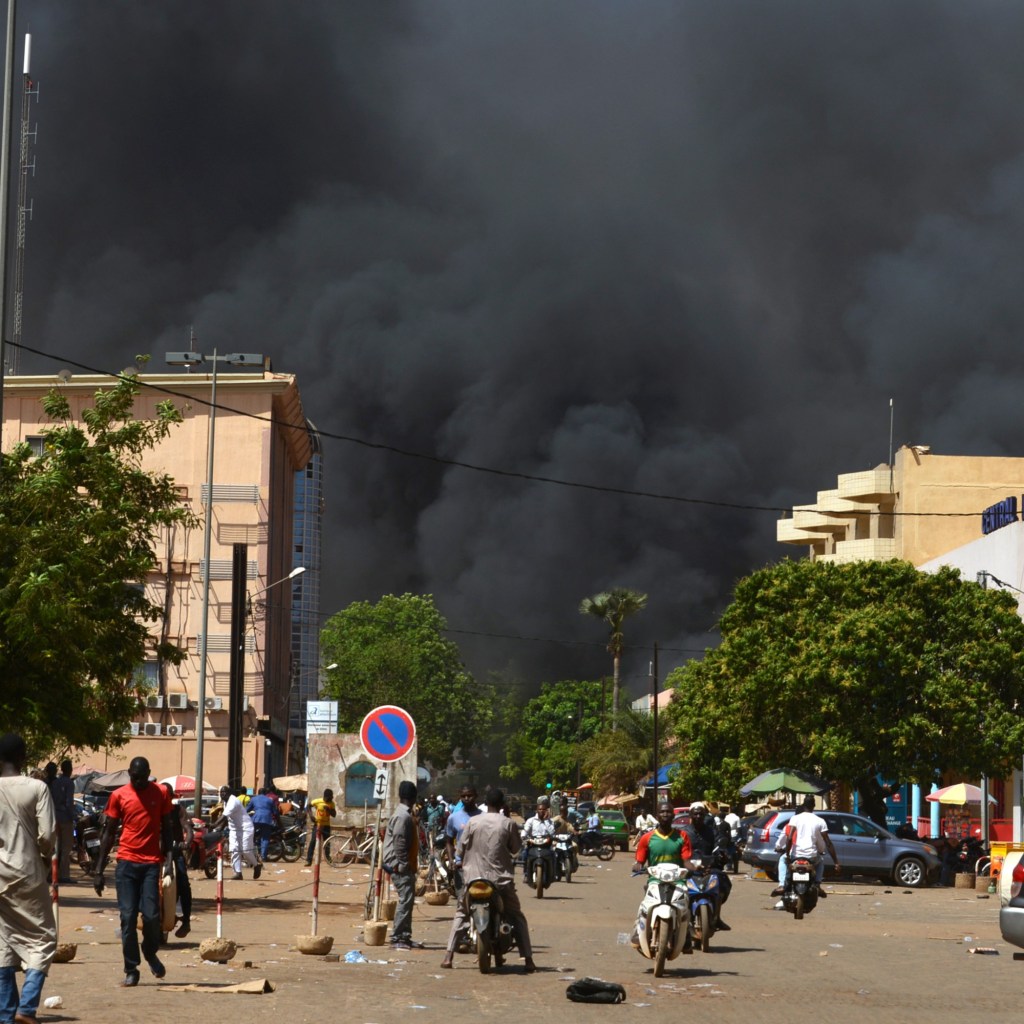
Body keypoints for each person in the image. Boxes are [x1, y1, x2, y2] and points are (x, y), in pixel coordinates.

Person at [94, 757, 173, 987]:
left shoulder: (161, 793)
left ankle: (149, 952)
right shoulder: (119, 795)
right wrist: (99, 870)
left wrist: (169, 858)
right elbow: (108, 833)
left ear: (149, 773)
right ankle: (131, 968)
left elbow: (167, 827)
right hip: (127, 863)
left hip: (150, 864)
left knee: (151, 917)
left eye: (141, 777)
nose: (136, 781)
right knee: (127, 918)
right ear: (129, 774)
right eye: (133, 777)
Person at [0, 733, 57, 1022]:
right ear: (23, 757)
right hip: (27, 870)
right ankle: (27, 1006)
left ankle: (5, 1015)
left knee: (3, 942)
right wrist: (45, 857)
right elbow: (47, 835)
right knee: (43, 938)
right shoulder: (37, 787)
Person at [450, 788, 535, 972]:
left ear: (485, 803)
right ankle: (528, 959)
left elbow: (459, 850)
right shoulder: (508, 823)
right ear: (502, 804)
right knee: (516, 916)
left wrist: (460, 861)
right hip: (500, 881)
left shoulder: (473, 822)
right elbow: (515, 850)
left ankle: (448, 956)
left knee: (461, 913)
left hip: (473, 879)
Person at [632, 799, 692, 951]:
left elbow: (686, 860)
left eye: (668, 812)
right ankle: (637, 932)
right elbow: (640, 859)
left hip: (677, 881)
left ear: (673, 816)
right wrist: (638, 866)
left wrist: (693, 867)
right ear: (657, 815)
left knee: (685, 903)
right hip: (655, 880)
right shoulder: (647, 838)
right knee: (644, 905)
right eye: (662, 812)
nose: (665, 814)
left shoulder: (682, 836)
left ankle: (686, 936)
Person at [440, 786, 483, 966]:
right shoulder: (454, 818)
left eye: (470, 795)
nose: (467, 799)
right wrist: (451, 861)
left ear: (476, 797)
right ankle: (457, 945)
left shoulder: (483, 817)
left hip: (481, 868)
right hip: (461, 868)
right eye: (463, 796)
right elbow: (449, 841)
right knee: (462, 906)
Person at [771, 794, 839, 898]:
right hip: (811, 856)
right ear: (814, 805)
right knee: (820, 862)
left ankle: (782, 886)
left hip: (795, 855)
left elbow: (789, 838)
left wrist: (788, 855)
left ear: (803, 805)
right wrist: (836, 862)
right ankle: (817, 884)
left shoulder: (795, 818)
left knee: (783, 860)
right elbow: (828, 842)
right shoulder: (820, 821)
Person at [383, 780, 421, 950]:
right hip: (399, 866)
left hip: (404, 864)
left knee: (408, 901)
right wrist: (404, 864)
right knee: (405, 901)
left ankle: (405, 937)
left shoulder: (405, 814)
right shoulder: (402, 816)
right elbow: (399, 842)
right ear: (413, 797)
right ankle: (397, 937)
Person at [682, 801, 732, 930]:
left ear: (704, 815)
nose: (698, 816)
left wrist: (722, 854)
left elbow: (718, 846)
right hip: (688, 869)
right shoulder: (683, 833)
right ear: (690, 815)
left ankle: (716, 916)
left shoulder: (711, 831)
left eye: (701, 814)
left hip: (709, 868)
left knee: (723, 882)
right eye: (695, 814)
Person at [162, 784, 194, 938]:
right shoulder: (152, 809)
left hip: (175, 852)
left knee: (183, 884)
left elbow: (188, 829)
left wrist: (186, 842)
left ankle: (186, 920)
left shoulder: (178, 810)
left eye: (166, 795)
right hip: (157, 854)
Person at [216, 786, 262, 880]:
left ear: (229, 792)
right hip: (234, 829)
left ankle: (256, 865)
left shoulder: (233, 801)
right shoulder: (225, 802)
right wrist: (219, 828)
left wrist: (214, 824)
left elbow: (224, 816)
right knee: (234, 850)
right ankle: (238, 873)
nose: (222, 794)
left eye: (224, 792)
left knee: (245, 850)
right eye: (221, 792)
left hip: (246, 828)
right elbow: (227, 817)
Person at [521, 796, 556, 885]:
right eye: (540, 809)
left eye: (544, 810)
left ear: (546, 811)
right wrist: (524, 835)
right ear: (537, 810)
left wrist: (546, 821)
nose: (542, 811)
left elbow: (552, 833)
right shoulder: (531, 820)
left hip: (546, 845)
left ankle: (553, 874)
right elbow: (525, 830)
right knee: (525, 854)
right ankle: (526, 874)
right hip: (533, 844)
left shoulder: (550, 821)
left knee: (553, 855)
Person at [52, 759, 76, 884]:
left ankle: (54, 874)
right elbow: (69, 802)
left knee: (56, 847)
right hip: (66, 819)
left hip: (55, 818)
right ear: (70, 770)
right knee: (66, 848)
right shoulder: (69, 783)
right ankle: (64, 875)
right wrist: (73, 817)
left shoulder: (55, 783)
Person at [304, 788, 336, 866]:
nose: (332, 798)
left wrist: (329, 810)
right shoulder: (318, 801)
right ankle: (309, 860)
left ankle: (328, 859)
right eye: (330, 797)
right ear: (326, 797)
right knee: (313, 842)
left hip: (326, 826)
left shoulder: (332, 804)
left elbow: (334, 815)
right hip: (317, 825)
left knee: (327, 842)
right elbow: (308, 806)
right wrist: (311, 816)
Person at [249, 788, 278, 860]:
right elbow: (275, 813)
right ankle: (263, 856)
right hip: (267, 820)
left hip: (256, 819)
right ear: (265, 793)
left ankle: (250, 854)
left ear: (258, 793)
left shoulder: (254, 799)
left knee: (251, 835)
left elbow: (247, 809)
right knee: (265, 838)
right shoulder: (270, 800)